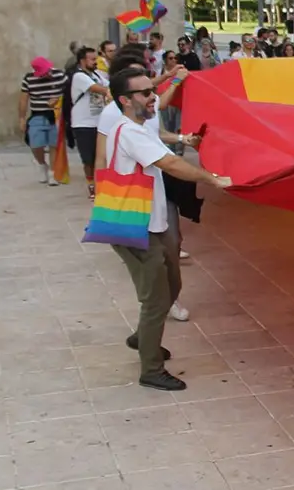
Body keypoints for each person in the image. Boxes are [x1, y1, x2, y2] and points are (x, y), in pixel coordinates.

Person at [103, 67, 230, 391]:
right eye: (145, 93)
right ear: (125, 100)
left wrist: (183, 139)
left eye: (152, 90)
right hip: (136, 226)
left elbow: (159, 139)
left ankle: (144, 337)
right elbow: (170, 163)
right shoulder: (128, 131)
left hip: (153, 223)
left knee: (171, 285)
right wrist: (211, 178)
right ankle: (151, 368)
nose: (153, 97)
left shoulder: (140, 124)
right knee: (157, 299)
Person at [20, 57, 67, 186]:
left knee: (53, 145)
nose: (48, 74)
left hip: (55, 114)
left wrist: (58, 99)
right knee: (35, 144)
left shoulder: (60, 76)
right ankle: (42, 164)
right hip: (37, 114)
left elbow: (69, 92)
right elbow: (24, 99)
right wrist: (22, 118)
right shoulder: (29, 79)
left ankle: (52, 173)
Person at [69, 47, 109, 200]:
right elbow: (100, 89)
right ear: (82, 61)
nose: (95, 62)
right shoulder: (79, 76)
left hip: (99, 122)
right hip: (83, 123)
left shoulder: (97, 75)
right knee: (88, 158)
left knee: (101, 156)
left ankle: (102, 183)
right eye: (92, 59)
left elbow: (109, 85)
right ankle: (91, 184)